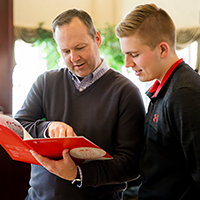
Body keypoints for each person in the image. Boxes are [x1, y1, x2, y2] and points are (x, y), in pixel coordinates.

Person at [15, 9, 145, 200]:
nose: (74, 58)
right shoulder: (45, 82)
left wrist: (77, 174)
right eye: (65, 51)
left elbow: (131, 164)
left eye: (80, 47)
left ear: (97, 39)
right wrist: (48, 127)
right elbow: (19, 127)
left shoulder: (126, 93)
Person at [115, 3, 200, 199]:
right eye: (125, 54)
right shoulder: (165, 88)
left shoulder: (184, 94)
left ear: (163, 49)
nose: (127, 63)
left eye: (134, 54)